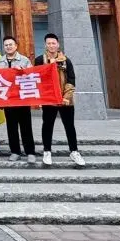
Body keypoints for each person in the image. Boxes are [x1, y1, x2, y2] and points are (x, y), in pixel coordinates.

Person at [35, 33, 85, 168]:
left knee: (69, 125)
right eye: (49, 43)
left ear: (58, 44)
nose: (51, 45)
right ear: (45, 45)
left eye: (53, 43)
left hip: (65, 99)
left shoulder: (66, 60)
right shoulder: (40, 60)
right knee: (47, 125)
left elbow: (71, 79)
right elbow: (37, 79)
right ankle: (47, 151)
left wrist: (66, 96)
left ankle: (74, 151)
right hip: (49, 99)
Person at [0, 35, 36, 166]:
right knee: (11, 127)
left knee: (26, 126)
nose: (8, 47)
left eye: (11, 44)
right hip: (9, 100)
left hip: (22, 99)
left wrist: (23, 72)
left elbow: (32, 77)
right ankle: (15, 151)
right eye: (6, 45)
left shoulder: (24, 60)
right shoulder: (0, 62)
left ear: (16, 46)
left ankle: (30, 152)